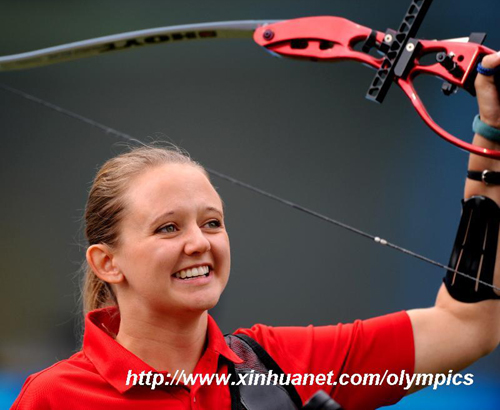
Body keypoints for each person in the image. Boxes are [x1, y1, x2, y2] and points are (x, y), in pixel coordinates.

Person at [11, 52, 500, 410]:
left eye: (212, 223)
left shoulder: (284, 364)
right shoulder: (53, 397)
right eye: (166, 228)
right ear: (107, 262)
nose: (200, 243)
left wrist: (492, 134)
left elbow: (468, 325)